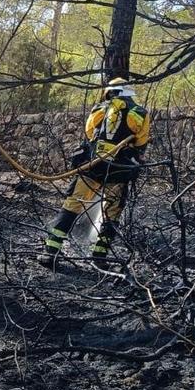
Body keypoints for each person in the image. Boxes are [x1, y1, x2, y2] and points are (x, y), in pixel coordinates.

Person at [38, 77, 151, 270]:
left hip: (92, 167)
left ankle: (50, 252)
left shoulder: (99, 109)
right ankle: (99, 256)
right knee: (112, 213)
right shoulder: (139, 113)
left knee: (73, 205)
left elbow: (89, 132)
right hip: (119, 170)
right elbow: (141, 143)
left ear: (110, 92)